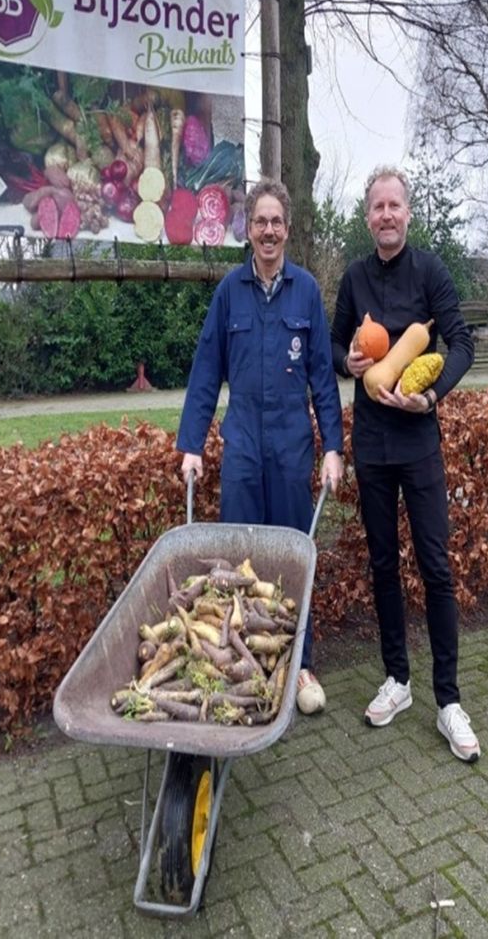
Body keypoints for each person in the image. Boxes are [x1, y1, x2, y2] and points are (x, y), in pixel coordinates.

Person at [177, 178, 344, 715]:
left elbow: (323, 378)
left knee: (295, 557)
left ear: (287, 231)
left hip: (292, 448)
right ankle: (241, 667)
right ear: (247, 230)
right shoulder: (229, 292)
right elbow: (206, 374)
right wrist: (191, 445)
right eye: (259, 222)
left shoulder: (307, 292)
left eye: (277, 222)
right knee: (239, 563)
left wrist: (334, 448)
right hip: (244, 447)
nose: (268, 231)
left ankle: (299, 667)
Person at [330, 166, 480, 762]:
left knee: (436, 565)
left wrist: (432, 396)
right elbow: (336, 346)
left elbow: (462, 342)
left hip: (418, 438)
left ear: (407, 214)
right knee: (384, 563)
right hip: (371, 441)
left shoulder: (431, 272)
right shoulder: (354, 278)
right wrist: (350, 361)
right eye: (377, 208)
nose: (386, 215)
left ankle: (448, 700)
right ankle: (398, 680)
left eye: (395, 206)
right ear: (367, 217)